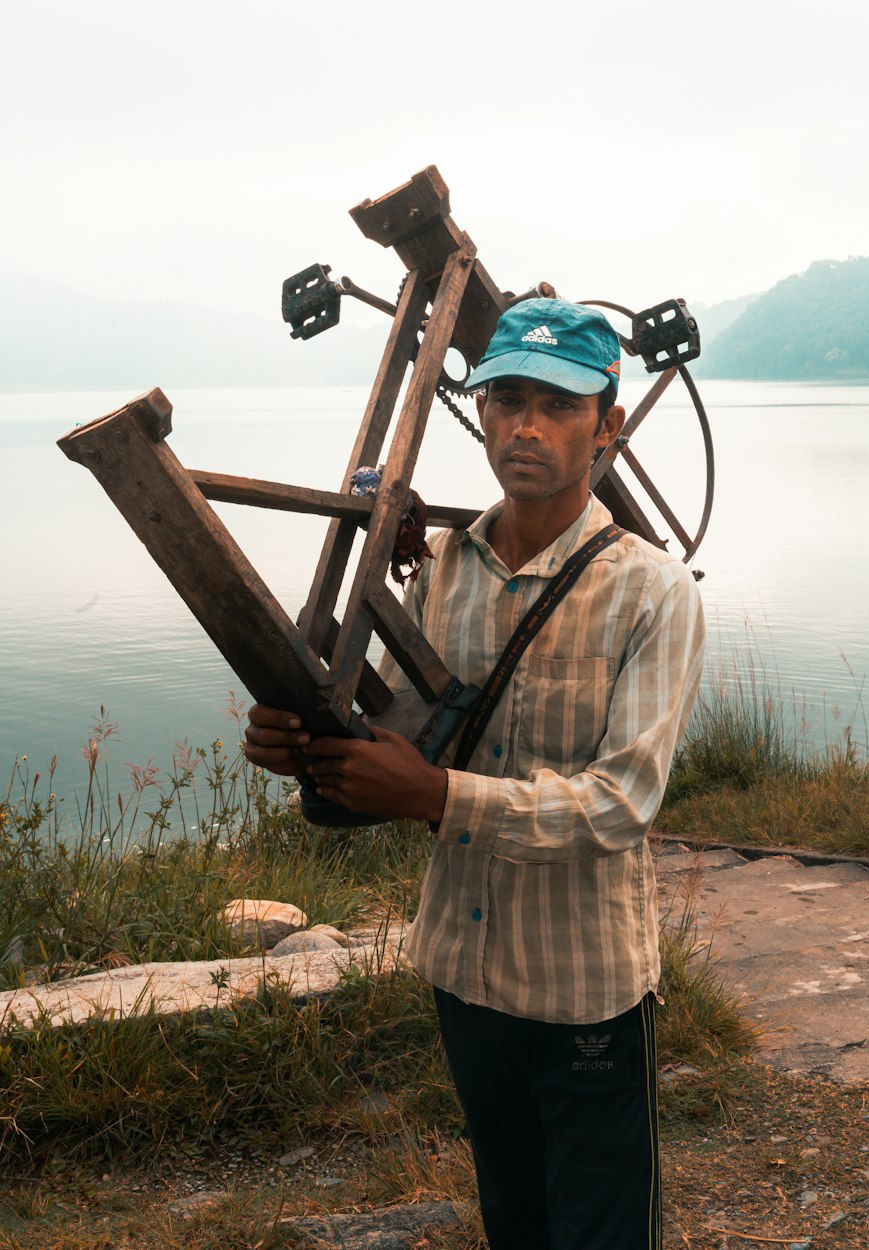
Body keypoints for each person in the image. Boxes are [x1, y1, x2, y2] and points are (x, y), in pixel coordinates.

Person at [244, 298, 705, 1250]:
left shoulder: (650, 589)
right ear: (480, 412)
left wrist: (435, 796)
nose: (525, 426)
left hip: (586, 987)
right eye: (504, 400)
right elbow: (416, 736)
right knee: (512, 1215)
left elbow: (622, 803)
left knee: (603, 1228)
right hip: (462, 968)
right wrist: (311, 745)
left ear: (606, 424)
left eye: (558, 404)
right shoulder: (445, 566)